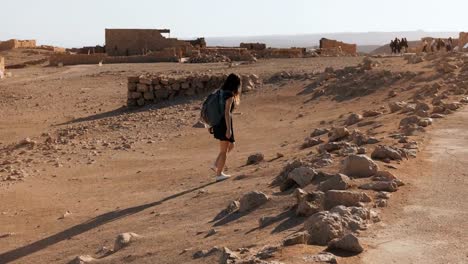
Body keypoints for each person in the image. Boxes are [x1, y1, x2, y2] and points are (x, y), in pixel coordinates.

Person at [210, 73, 241, 182]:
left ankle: (215, 164)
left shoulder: (220, 92)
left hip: (217, 123)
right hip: (224, 124)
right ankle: (219, 174)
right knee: (224, 151)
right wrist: (229, 129)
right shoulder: (229, 95)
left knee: (231, 145)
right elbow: (227, 113)